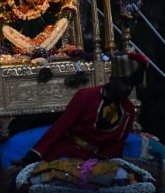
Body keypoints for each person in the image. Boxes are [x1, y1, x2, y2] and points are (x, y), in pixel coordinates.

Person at [17, 52, 149, 165]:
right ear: (113, 79)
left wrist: (99, 161)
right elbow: (60, 128)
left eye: (132, 85)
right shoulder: (86, 96)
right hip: (67, 154)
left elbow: (117, 145)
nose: (128, 88)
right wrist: (34, 156)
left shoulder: (128, 109)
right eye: (124, 82)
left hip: (98, 162)